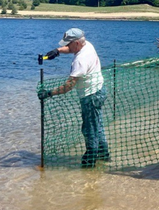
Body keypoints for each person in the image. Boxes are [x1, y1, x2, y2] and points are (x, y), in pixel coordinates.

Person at [38, 28, 110, 168]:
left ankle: (89, 163)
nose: (67, 46)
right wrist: (57, 51)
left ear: (76, 43)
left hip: (90, 97)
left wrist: (48, 93)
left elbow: (68, 86)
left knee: (90, 130)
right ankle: (103, 155)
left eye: (68, 44)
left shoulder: (80, 60)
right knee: (98, 126)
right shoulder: (87, 45)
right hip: (100, 90)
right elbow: (70, 49)